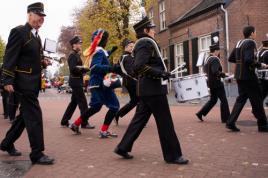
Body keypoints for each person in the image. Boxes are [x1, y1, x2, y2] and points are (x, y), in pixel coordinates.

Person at [114, 17, 188, 165]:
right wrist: (160, 73)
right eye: (152, 28)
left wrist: (163, 72)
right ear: (146, 30)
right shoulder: (145, 43)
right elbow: (139, 67)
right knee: (165, 123)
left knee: (139, 120)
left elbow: (144, 66)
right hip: (153, 90)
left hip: (148, 90)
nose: (155, 30)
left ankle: (123, 147)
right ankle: (172, 155)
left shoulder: (145, 43)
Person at [0, 2, 54, 165]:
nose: (41, 19)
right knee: (35, 116)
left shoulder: (36, 37)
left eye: (43, 17)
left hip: (33, 83)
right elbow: (10, 57)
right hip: (23, 83)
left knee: (24, 116)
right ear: (29, 14)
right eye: (38, 15)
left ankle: (7, 143)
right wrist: (7, 79)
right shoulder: (19, 32)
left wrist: (43, 62)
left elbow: (31, 59)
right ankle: (37, 153)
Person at [70, 29, 121, 138]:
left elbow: (104, 55)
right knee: (113, 106)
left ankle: (76, 124)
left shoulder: (98, 50)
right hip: (100, 84)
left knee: (98, 107)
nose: (107, 41)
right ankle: (102, 131)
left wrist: (111, 51)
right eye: (106, 39)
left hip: (99, 83)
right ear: (101, 40)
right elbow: (95, 67)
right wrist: (111, 67)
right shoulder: (98, 51)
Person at [226, 26, 268, 132]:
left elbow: (231, 58)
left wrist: (240, 64)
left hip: (239, 75)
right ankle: (263, 125)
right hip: (249, 76)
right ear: (251, 33)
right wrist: (260, 64)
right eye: (255, 32)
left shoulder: (239, 42)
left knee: (241, 99)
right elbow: (249, 60)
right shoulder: (251, 43)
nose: (256, 34)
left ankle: (230, 122)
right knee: (257, 99)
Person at [60, 36, 94, 129]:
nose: (80, 45)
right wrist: (83, 68)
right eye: (79, 43)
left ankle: (64, 120)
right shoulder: (72, 55)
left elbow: (77, 68)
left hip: (77, 80)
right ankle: (84, 122)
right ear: (74, 45)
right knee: (83, 103)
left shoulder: (77, 55)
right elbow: (73, 69)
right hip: (75, 81)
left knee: (73, 103)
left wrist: (84, 69)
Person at [196, 44, 230, 123]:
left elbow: (206, 70)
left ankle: (200, 113)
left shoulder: (208, 59)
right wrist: (224, 75)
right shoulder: (215, 59)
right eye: (218, 51)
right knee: (223, 100)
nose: (219, 52)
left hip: (211, 83)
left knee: (213, 100)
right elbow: (215, 71)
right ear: (215, 51)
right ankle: (226, 118)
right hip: (217, 83)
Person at [114, 39, 138, 125]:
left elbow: (117, 68)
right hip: (132, 82)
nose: (132, 48)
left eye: (133, 46)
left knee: (136, 101)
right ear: (126, 47)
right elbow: (131, 72)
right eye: (131, 46)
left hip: (128, 81)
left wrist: (123, 75)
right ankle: (137, 119)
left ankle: (118, 114)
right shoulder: (127, 57)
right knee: (137, 100)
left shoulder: (123, 57)